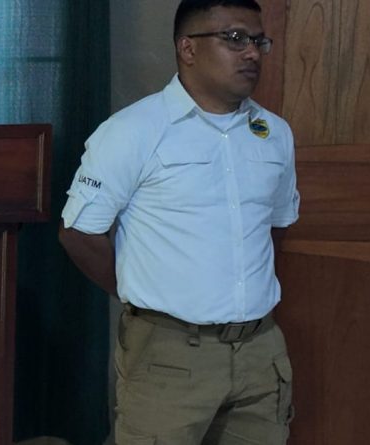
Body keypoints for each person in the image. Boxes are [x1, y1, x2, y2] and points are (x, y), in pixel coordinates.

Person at [58, 0, 299, 443]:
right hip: (169, 352)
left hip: (259, 350)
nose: (252, 52)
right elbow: (78, 234)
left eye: (258, 40)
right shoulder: (133, 130)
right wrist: (141, 293)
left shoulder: (274, 133)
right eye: (234, 39)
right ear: (188, 48)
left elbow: (276, 228)